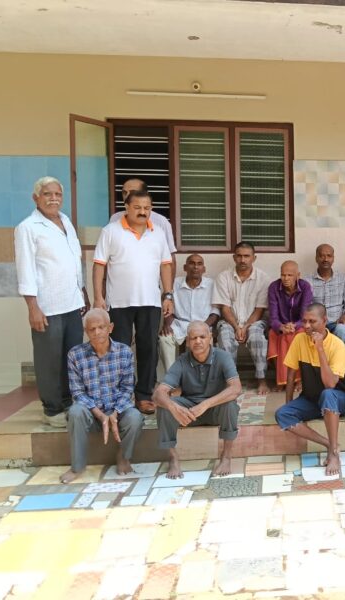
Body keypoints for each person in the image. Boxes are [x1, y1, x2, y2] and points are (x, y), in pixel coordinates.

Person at [14, 176, 89, 427]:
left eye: (57, 194)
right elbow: (25, 270)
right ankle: (52, 408)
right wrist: (32, 307)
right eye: (47, 194)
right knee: (49, 359)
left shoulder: (66, 221)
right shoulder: (27, 228)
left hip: (72, 303)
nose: (53, 198)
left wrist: (82, 293)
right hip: (47, 307)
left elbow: (74, 262)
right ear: (36, 198)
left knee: (72, 357)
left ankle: (68, 402)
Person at [93, 190, 174, 415]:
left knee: (149, 348)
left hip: (150, 301)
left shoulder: (158, 233)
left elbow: (165, 265)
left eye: (147, 208)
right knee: (119, 350)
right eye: (137, 207)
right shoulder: (110, 231)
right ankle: (120, 395)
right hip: (119, 303)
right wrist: (98, 297)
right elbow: (99, 265)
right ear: (127, 207)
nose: (142, 212)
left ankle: (144, 395)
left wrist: (168, 295)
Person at [61, 309, 144, 483]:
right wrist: (100, 415)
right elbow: (77, 392)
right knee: (75, 412)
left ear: (110, 328)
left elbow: (127, 388)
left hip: (118, 413)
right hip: (91, 414)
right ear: (86, 331)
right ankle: (77, 467)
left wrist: (114, 414)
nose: (97, 332)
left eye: (101, 327)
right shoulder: (75, 355)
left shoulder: (124, 352)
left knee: (135, 417)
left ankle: (123, 456)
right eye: (92, 329)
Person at [153, 321, 241, 478]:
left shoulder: (223, 357)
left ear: (210, 338)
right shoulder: (182, 361)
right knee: (164, 406)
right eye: (193, 338)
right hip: (189, 413)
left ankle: (226, 456)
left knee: (230, 404)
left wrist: (206, 404)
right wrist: (174, 407)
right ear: (187, 342)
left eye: (202, 337)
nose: (198, 341)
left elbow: (236, 388)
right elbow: (158, 394)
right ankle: (173, 458)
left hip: (214, 410)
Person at [274, 304, 345, 476]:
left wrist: (320, 349)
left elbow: (330, 384)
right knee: (282, 414)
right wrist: (289, 403)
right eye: (304, 321)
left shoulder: (337, 345)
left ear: (324, 321)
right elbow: (290, 374)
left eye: (312, 321)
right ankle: (329, 444)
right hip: (312, 399)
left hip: (337, 398)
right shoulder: (299, 339)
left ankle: (334, 454)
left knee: (328, 394)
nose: (307, 326)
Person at [212, 242, 270, 395]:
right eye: (239, 256)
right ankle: (231, 381)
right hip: (230, 321)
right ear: (234, 257)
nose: (243, 260)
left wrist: (246, 327)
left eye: (246, 256)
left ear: (254, 258)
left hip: (255, 321)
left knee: (257, 337)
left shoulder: (263, 278)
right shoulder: (223, 277)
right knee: (225, 337)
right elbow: (225, 308)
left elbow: (259, 309)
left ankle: (261, 379)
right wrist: (237, 327)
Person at [159, 254, 219, 372]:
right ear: (185, 267)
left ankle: (201, 377)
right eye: (192, 263)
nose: (195, 267)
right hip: (179, 324)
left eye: (199, 264)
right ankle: (172, 376)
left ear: (204, 269)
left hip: (203, 324)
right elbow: (167, 304)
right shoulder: (174, 283)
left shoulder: (211, 285)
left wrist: (204, 327)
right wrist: (167, 324)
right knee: (165, 338)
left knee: (204, 339)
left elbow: (215, 312)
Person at [109, 178, 177, 274]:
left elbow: (169, 259)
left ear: (145, 194)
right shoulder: (115, 219)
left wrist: (169, 284)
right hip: (119, 281)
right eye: (124, 192)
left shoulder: (161, 222)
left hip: (151, 281)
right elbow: (107, 256)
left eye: (132, 192)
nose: (127, 196)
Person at [267, 261, 313, 389]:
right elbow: (273, 317)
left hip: (300, 325)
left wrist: (294, 326)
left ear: (298, 275)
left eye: (290, 275)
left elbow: (305, 315)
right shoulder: (274, 287)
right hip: (281, 326)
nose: (286, 278)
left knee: (300, 335)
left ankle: (299, 379)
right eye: (283, 275)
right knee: (272, 334)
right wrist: (281, 327)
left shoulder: (305, 287)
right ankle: (282, 378)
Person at [306, 244, 345, 347]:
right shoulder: (307, 281)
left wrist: (343, 317)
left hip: (337, 322)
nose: (325, 259)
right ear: (316, 258)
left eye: (329, 256)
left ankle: (340, 358)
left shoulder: (343, 278)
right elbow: (306, 306)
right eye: (322, 256)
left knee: (341, 330)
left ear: (333, 258)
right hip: (316, 323)